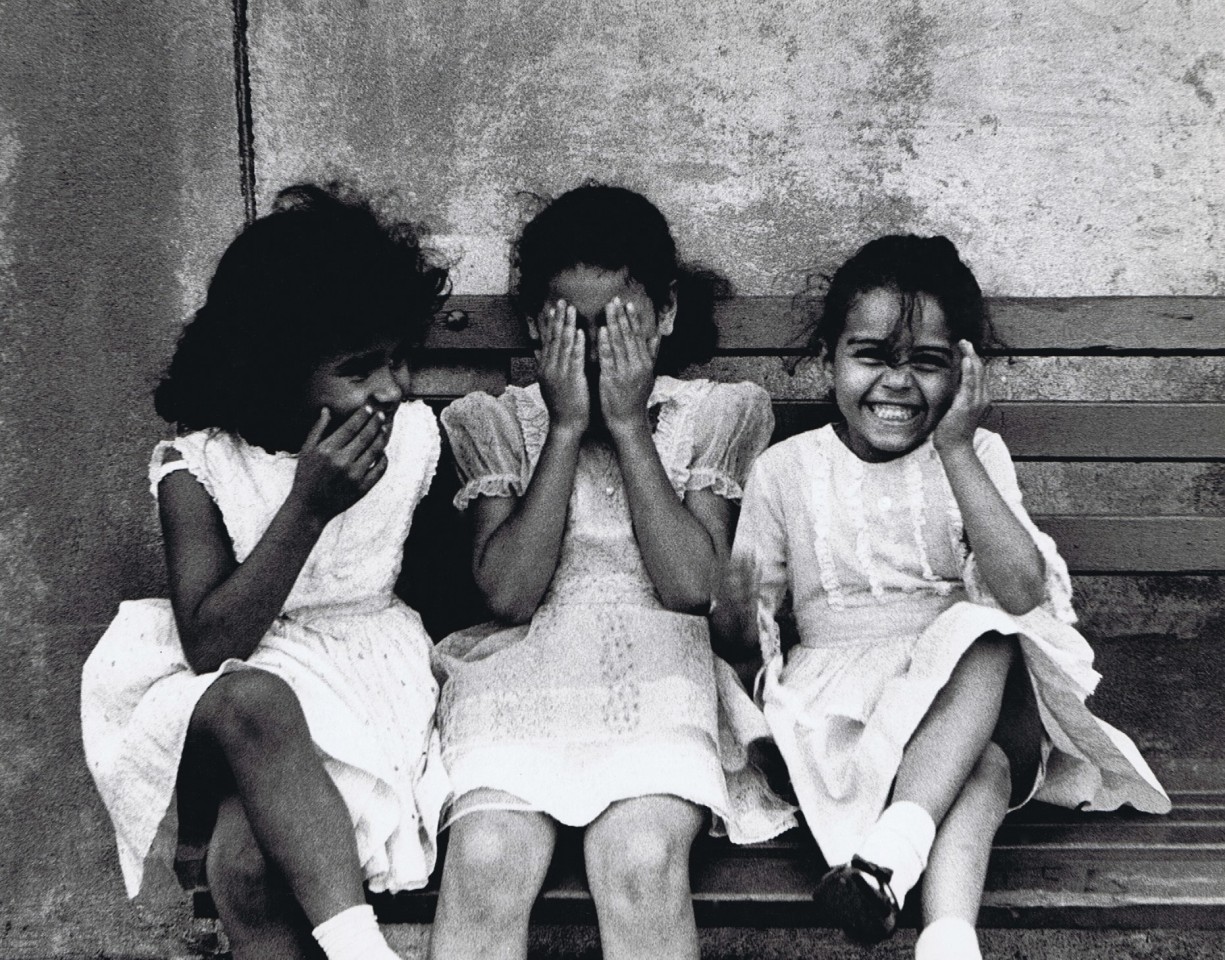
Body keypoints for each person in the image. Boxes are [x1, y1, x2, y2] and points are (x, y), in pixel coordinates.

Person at [712, 235, 1170, 960]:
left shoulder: (974, 454)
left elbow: (1021, 593)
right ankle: (943, 931)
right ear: (827, 355)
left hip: (967, 693)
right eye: (869, 357)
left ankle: (891, 859)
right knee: (978, 769)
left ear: (961, 370)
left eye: (924, 363)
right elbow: (745, 633)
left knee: (984, 629)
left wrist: (957, 448)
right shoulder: (784, 470)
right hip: (843, 719)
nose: (896, 384)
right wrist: (737, 607)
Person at [81, 183, 452, 960]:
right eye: (360, 368)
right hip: (249, 688)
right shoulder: (201, 467)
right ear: (277, 370)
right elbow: (211, 646)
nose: (394, 387)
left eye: (401, 359)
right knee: (255, 697)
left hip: (369, 685)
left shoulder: (413, 440)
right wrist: (306, 510)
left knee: (245, 868)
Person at [427, 184, 795, 960]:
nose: (594, 352)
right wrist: (563, 429)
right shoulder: (498, 424)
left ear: (663, 314)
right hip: (523, 680)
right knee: (485, 862)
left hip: (658, 677)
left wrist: (628, 427)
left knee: (638, 861)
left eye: (617, 326)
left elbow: (690, 584)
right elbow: (509, 593)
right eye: (570, 329)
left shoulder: (709, 415)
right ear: (534, 326)